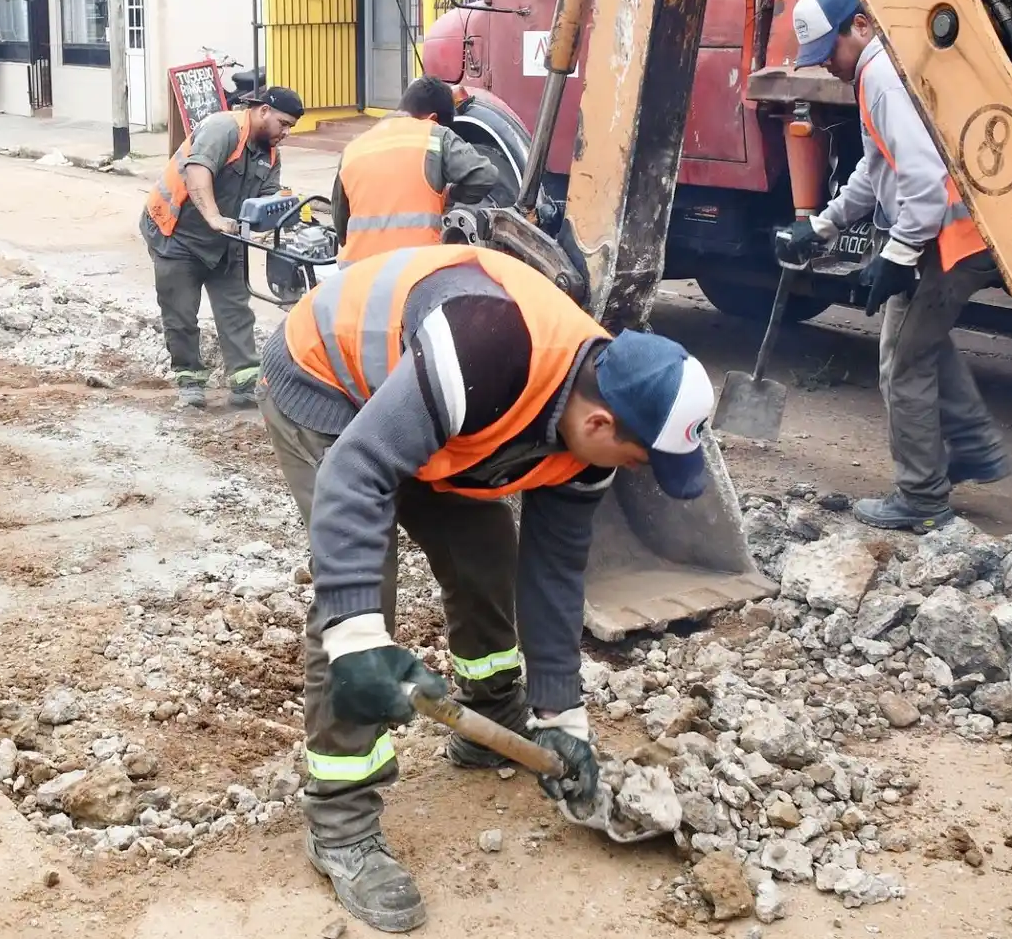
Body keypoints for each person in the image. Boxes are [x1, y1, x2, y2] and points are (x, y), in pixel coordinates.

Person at [258, 243, 715, 932]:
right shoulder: (488, 347)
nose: (633, 471)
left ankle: (492, 717)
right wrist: (356, 639)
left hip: (435, 416)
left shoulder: (586, 435)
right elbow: (360, 470)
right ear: (600, 425)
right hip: (328, 385)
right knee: (357, 598)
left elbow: (555, 570)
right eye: (638, 457)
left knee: (487, 548)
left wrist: (561, 720)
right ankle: (341, 821)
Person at [784, 0, 1009, 531]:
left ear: (859, 26)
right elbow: (877, 170)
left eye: (829, 53)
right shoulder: (873, 74)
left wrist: (899, 254)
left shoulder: (882, 78)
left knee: (901, 362)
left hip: (951, 240)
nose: (828, 68)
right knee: (920, 343)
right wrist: (823, 225)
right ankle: (975, 448)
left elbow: (928, 182)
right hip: (949, 236)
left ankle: (922, 499)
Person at [142, 86, 305, 409]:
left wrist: (281, 217)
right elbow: (197, 172)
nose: (285, 133)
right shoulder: (223, 128)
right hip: (176, 233)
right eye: (283, 123)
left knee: (235, 310)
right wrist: (215, 217)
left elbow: (265, 199)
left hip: (225, 240)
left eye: (290, 128)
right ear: (263, 112)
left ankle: (245, 383)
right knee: (181, 312)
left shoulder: (269, 155)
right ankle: (190, 379)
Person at [332, 75, 506, 263]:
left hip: (358, 274)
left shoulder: (354, 148)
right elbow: (485, 175)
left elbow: (341, 226)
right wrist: (450, 195)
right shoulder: (434, 135)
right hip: (414, 270)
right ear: (433, 118)